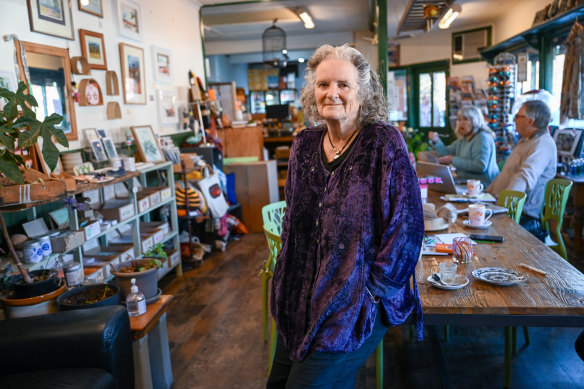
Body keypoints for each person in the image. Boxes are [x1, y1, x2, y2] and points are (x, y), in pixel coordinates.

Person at [267, 44, 424, 389]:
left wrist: (370, 292)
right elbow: (292, 222)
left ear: (363, 92)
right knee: (278, 383)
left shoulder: (384, 142)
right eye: (323, 85)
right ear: (312, 91)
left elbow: (407, 231)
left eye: (343, 85)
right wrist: (283, 281)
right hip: (298, 298)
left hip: (355, 301)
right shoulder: (303, 145)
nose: (331, 93)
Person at [487, 100, 557, 241]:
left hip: (521, 215)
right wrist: (486, 194)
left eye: (518, 116)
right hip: (500, 205)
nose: (514, 120)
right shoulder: (525, 141)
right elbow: (506, 173)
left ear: (531, 121)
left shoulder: (543, 144)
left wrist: (503, 206)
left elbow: (524, 177)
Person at [428, 105, 499, 186]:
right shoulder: (463, 139)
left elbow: (480, 166)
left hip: (481, 186)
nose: (461, 123)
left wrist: (452, 159)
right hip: (465, 181)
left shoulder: (482, 137)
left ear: (475, 120)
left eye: (465, 119)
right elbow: (446, 152)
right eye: (459, 119)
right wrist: (436, 141)